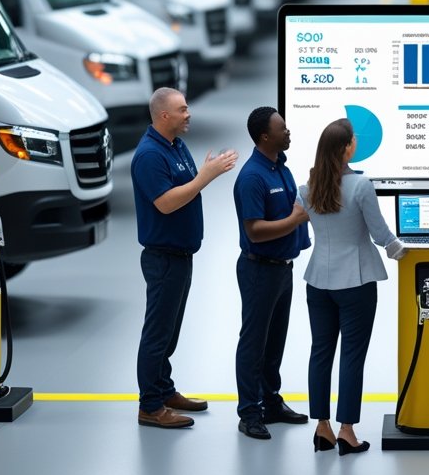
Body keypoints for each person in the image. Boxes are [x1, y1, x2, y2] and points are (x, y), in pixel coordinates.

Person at [132, 87, 238, 429]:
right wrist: (205, 177)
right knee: (158, 333)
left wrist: (201, 175)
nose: (188, 113)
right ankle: (150, 406)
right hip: (164, 257)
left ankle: (163, 389)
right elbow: (165, 202)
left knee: (170, 332)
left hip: (180, 255)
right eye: (182, 109)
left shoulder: (175, 146)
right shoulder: (150, 155)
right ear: (164, 116)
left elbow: (187, 186)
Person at [298, 119, 405, 456]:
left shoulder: (307, 187)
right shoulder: (361, 186)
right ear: (346, 149)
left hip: (318, 281)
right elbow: (381, 236)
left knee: (320, 353)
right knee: (352, 356)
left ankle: (322, 427)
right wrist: (406, 249)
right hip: (355, 282)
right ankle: (347, 430)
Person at [233, 106, 311, 440]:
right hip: (258, 270)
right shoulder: (252, 177)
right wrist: (295, 221)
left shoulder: (281, 169)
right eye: (282, 128)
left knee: (275, 341)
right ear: (265, 136)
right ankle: (249, 412)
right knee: (254, 342)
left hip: (283, 269)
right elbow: (255, 230)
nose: (288, 131)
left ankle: (271, 402)